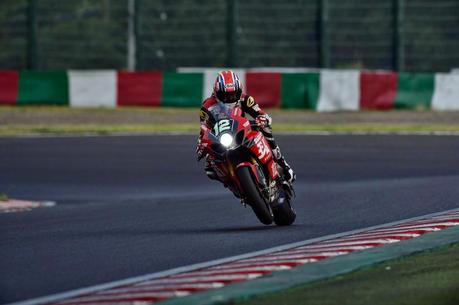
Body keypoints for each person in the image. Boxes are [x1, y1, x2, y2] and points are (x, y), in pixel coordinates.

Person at [196, 70, 296, 183]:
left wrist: (263, 119)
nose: (230, 98)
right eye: (226, 95)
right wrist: (201, 144)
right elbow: (204, 129)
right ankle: (233, 184)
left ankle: (282, 162)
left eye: (233, 94)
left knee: (265, 129)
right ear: (216, 92)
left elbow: (260, 113)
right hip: (222, 138)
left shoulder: (246, 99)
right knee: (210, 166)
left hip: (243, 131)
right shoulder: (207, 107)